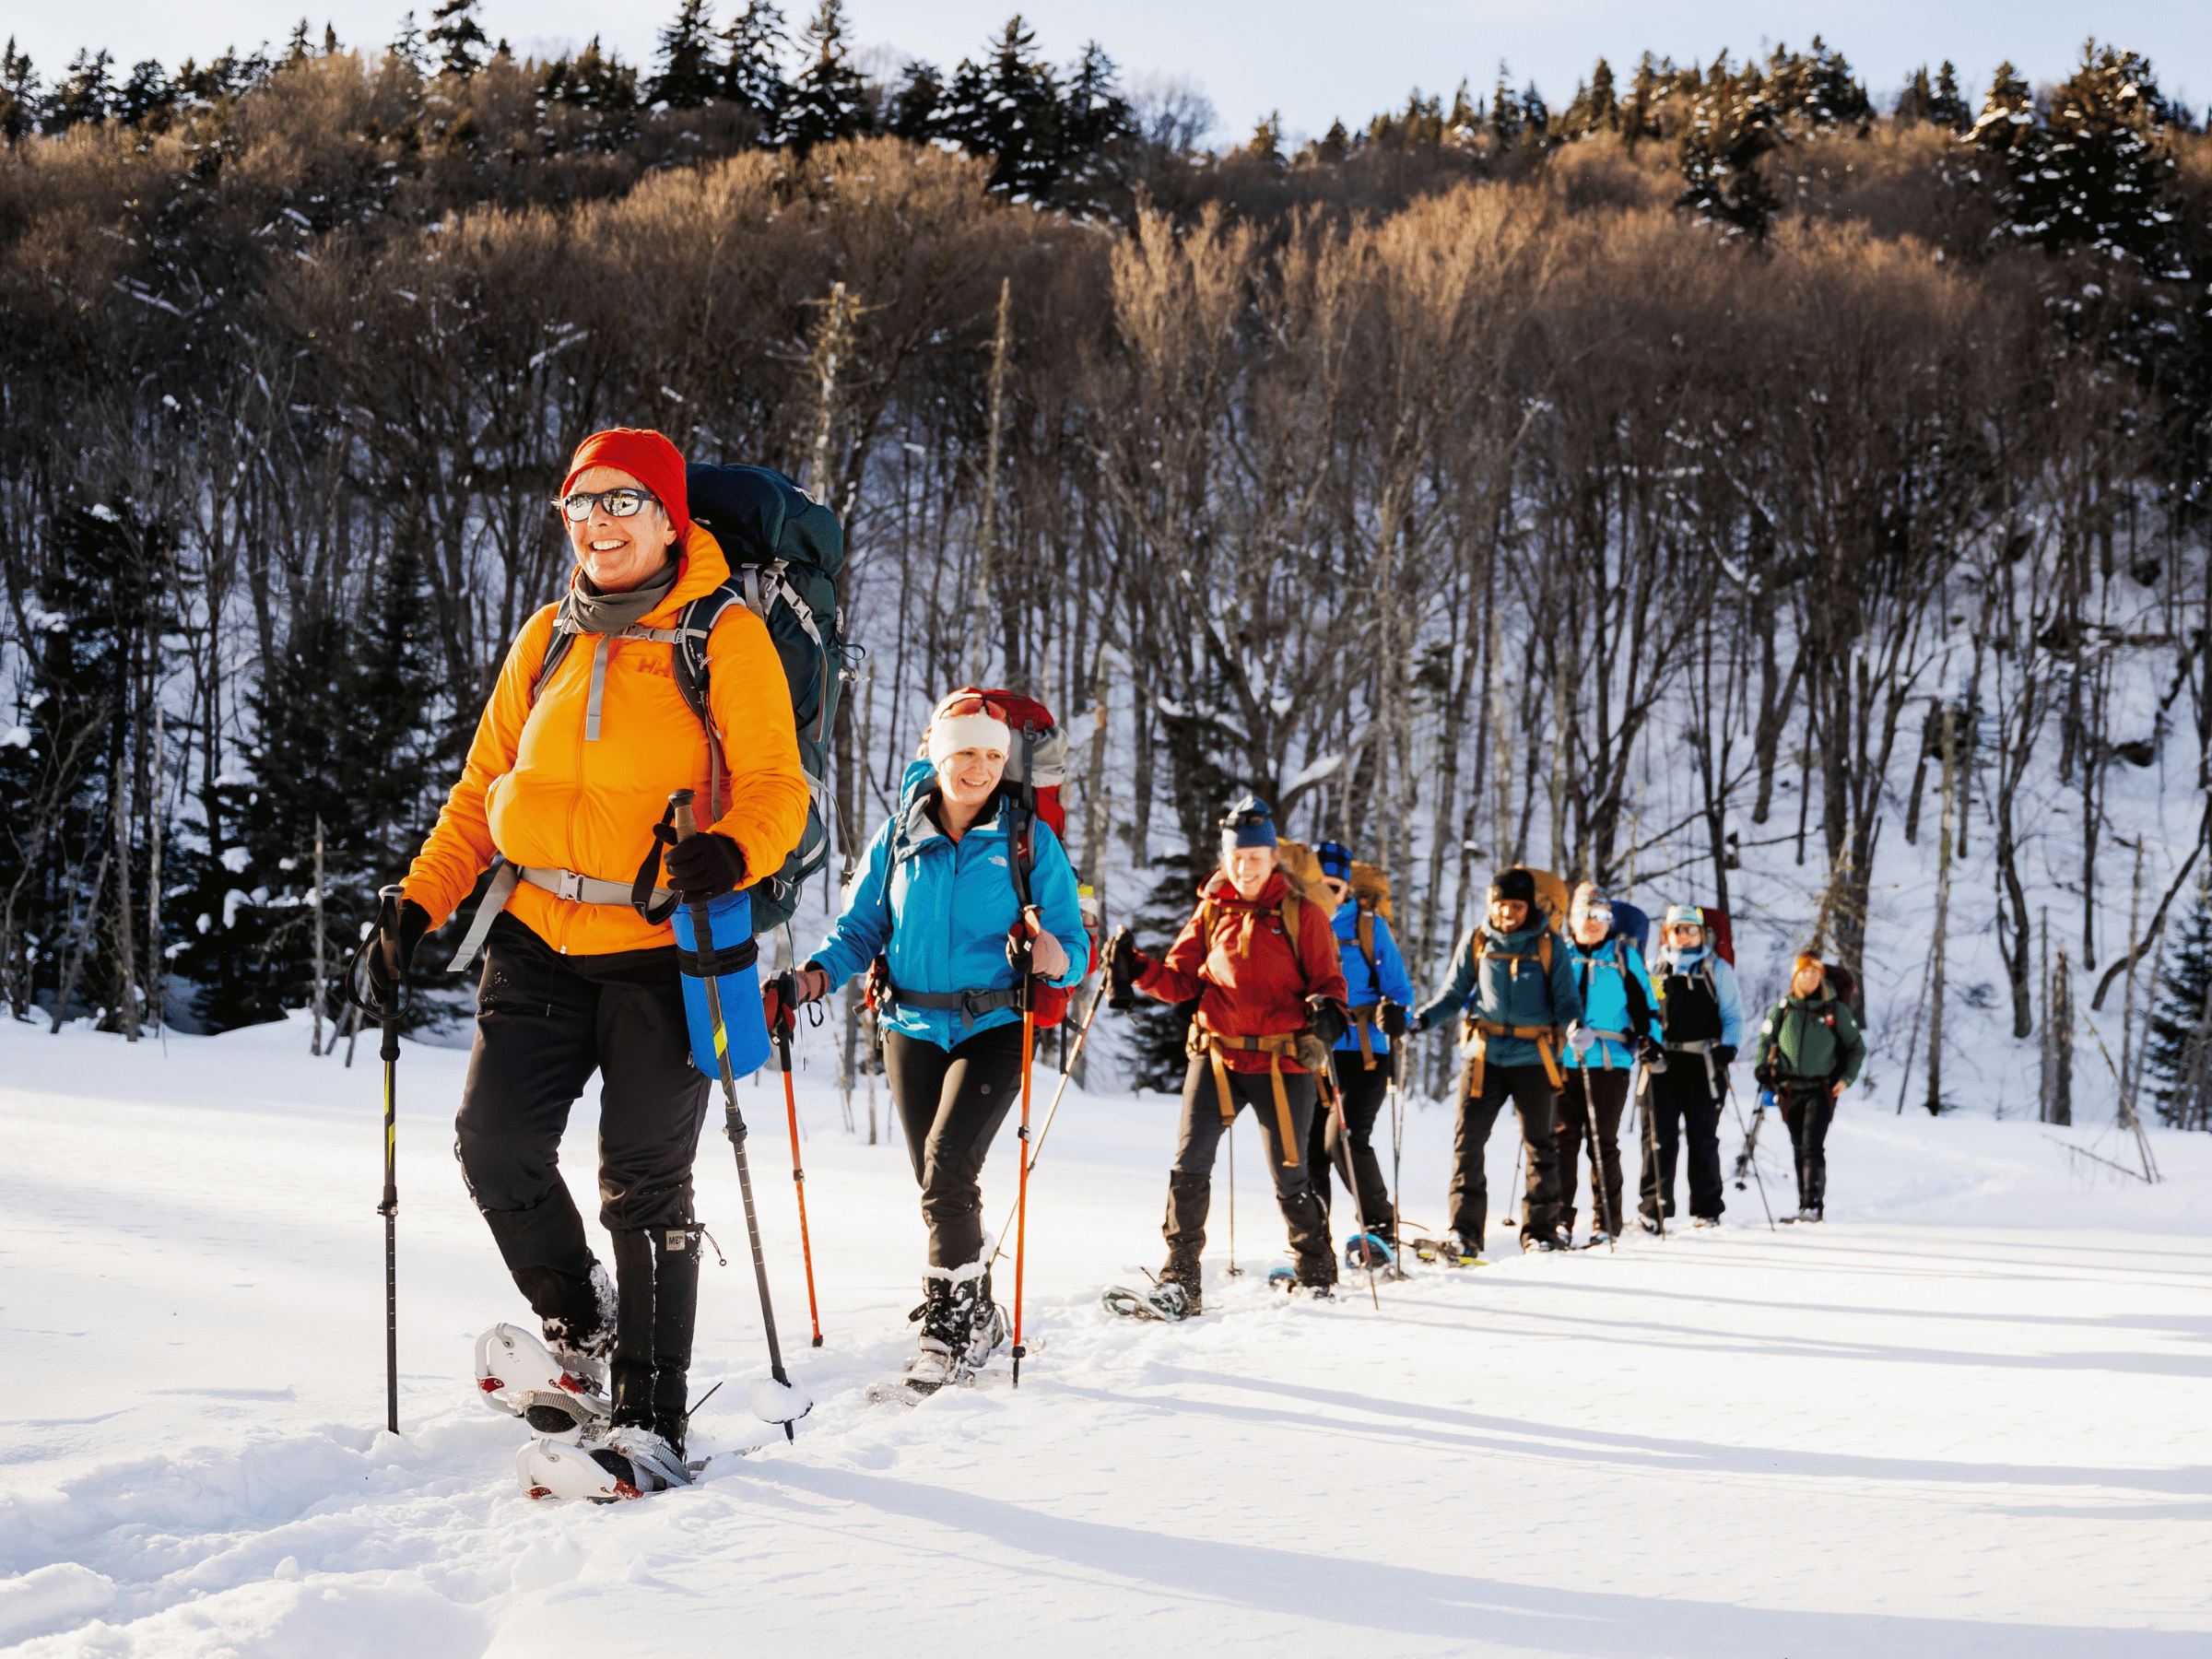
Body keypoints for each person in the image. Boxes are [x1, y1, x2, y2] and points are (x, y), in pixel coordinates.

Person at [369, 428, 810, 1487]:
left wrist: (732, 850)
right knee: (495, 1143)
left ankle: (655, 1419)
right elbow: (482, 792)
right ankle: (584, 1324)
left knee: (644, 1188)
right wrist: (414, 905)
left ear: (670, 518)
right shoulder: (547, 635)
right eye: (582, 506)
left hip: (669, 951)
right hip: (535, 940)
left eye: (623, 503)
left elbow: (779, 792)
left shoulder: (724, 633)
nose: (601, 524)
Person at [791, 690, 1088, 1393]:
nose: (979, 768)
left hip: (993, 1026)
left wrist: (1050, 952)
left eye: (991, 755)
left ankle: (947, 1331)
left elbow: (1074, 946)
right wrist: (811, 980)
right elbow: (859, 932)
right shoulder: (896, 838)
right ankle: (974, 1306)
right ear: (936, 755)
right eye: (965, 753)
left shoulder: (1026, 842)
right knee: (937, 1180)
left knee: (948, 1166)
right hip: (909, 1028)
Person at [1112, 795, 1351, 1309]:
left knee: (1290, 1173)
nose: (1244, 867)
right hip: (1216, 1055)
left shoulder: (1302, 913)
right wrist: (1136, 967)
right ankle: (1180, 1280)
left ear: (1272, 858)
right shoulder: (1212, 908)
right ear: (1225, 859)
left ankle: (1316, 1273)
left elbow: (1331, 982)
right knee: (1189, 1163)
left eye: (1254, 857)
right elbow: (1179, 982)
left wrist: (1327, 1012)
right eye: (1235, 857)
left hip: (1281, 1060)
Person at [1411, 867, 1585, 1256]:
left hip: (1534, 1056)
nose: (1507, 913)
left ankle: (1540, 1232)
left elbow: (1567, 999)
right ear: (1491, 903)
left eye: (1516, 906)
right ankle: (1464, 1233)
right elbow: (1453, 995)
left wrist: (1574, 1025)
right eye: (1501, 905)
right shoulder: (1477, 941)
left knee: (1541, 1144)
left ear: (1529, 907)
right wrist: (1421, 1019)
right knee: (1467, 1142)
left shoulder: (1548, 944)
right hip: (1484, 1055)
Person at [1306, 841, 1415, 1249]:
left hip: (1366, 1052)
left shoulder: (1369, 927)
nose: (1327, 896)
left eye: (1334, 887)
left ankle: (1381, 1228)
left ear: (1347, 889)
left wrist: (1397, 1012)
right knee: (1310, 1147)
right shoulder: (1298, 922)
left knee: (1344, 1137)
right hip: (1315, 1052)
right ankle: (1313, 1236)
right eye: (1320, 886)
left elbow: (1401, 990)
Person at [1556, 883, 1660, 1247]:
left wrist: (1651, 1042)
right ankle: (1559, 1221)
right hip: (1561, 1060)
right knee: (1561, 1142)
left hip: (1610, 1061)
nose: (1593, 922)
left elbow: (1648, 1005)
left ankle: (1607, 1223)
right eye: (1586, 913)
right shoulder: (1559, 953)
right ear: (1571, 918)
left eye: (1601, 915)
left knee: (1602, 1143)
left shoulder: (1623, 955)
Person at [1640, 904, 1745, 1231]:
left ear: (1702, 934)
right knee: (1658, 1137)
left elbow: (1733, 1015)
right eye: (1677, 929)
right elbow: (1648, 1011)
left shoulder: (1717, 970)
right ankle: (1653, 1208)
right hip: (1661, 1064)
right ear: (1667, 933)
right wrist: (1645, 1041)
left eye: (1690, 930)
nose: (1683, 936)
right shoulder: (1656, 970)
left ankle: (1707, 1208)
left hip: (1704, 1063)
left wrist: (1729, 1046)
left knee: (1703, 1137)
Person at [1753, 955, 1865, 1222]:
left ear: (1821, 977)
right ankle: (1804, 1205)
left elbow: (1857, 1047)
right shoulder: (1783, 1008)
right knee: (1798, 1146)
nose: (1809, 978)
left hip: (1821, 1087)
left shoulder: (1834, 1010)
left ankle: (1813, 1206)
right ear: (1795, 977)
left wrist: (1847, 1078)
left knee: (1812, 1144)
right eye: (1804, 973)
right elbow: (1765, 1040)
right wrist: (1761, 1067)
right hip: (1788, 1088)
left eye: (1814, 973)